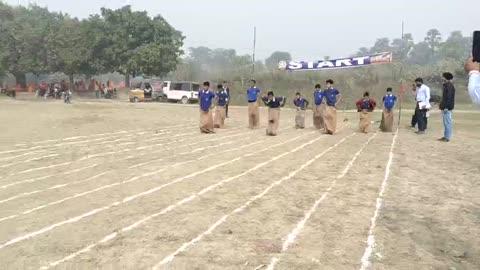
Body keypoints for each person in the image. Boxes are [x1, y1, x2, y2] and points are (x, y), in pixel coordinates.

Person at [438, 72, 455, 142]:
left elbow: (449, 98)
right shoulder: (446, 85)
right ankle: (445, 136)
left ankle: (447, 137)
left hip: (447, 108)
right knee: (445, 122)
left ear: (446, 77)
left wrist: (446, 107)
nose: (442, 78)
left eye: (443, 76)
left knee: (447, 122)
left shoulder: (449, 86)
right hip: (445, 107)